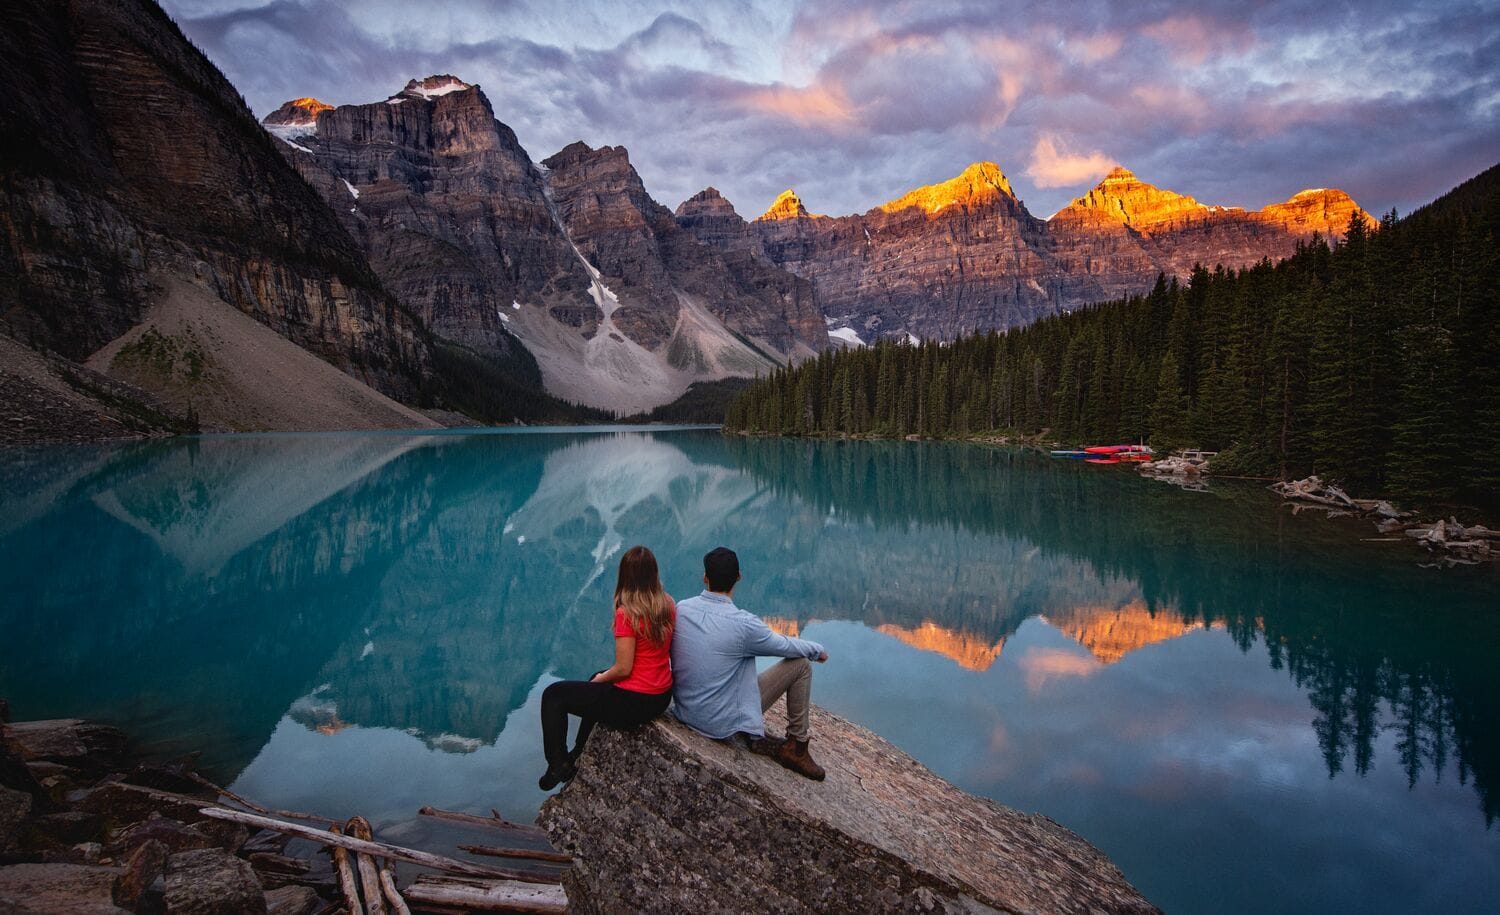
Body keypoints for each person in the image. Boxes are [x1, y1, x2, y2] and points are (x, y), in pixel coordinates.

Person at [670, 546, 828, 780]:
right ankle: (796, 747)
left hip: (685, 712)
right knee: (802, 665)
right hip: (719, 725)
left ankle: (757, 735)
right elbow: (784, 645)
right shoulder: (743, 625)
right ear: (738, 577)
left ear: (705, 577)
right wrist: (818, 650)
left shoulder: (681, 608)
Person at [537, 545, 675, 790]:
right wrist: (599, 678)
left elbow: (623, 669)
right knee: (595, 679)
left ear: (625, 576)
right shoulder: (667, 603)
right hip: (661, 695)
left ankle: (557, 764)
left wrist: (601, 679)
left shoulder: (627, 613)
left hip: (635, 702)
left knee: (553, 695)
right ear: (654, 573)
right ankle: (578, 753)